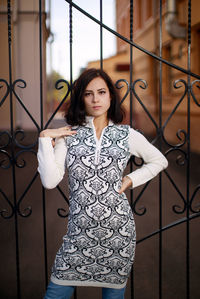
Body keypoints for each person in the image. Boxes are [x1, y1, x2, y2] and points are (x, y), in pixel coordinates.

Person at [37, 68, 168, 299]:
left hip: (118, 235)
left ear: (110, 96)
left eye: (101, 92)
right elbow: (49, 181)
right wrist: (45, 138)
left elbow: (159, 160)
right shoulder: (69, 135)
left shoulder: (126, 135)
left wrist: (130, 179)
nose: (96, 99)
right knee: (55, 294)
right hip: (77, 236)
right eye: (88, 94)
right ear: (81, 99)